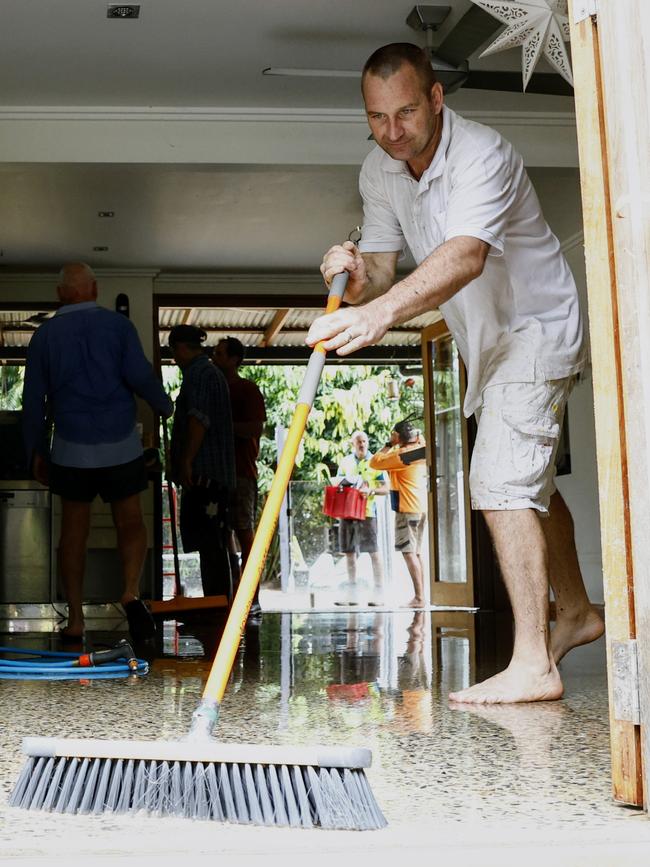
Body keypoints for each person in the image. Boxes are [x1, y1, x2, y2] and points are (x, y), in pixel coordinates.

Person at [306, 42, 604, 704]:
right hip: (487, 340)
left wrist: (380, 314)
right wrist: (355, 280)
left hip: (537, 325)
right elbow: (380, 272)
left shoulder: (483, 154)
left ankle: (534, 662)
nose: (393, 131)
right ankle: (577, 612)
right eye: (378, 118)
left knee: (500, 481)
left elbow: (465, 256)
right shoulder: (381, 170)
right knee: (536, 487)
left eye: (406, 112)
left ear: (436, 99)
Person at [22, 262, 173, 641]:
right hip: (121, 444)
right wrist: (164, 405)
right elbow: (139, 375)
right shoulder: (118, 327)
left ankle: (75, 617)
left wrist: (36, 450)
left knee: (74, 531)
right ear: (94, 289)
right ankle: (130, 590)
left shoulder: (45, 335)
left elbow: (32, 401)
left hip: (71, 449)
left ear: (60, 294)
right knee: (131, 521)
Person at [169, 325, 235, 600]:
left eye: (174, 352)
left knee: (211, 543)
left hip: (206, 474)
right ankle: (220, 601)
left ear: (182, 348)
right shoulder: (210, 373)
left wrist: (186, 460)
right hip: (214, 473)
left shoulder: (199, 374)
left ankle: (217, 604)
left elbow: (199, 420)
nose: (174, 359)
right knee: (215, 541)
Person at [212, 337, 266, 617]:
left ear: (234, 359)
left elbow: (255, 428)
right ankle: (231, 593)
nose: (214, 357)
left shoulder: (246, 389)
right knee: (221, 535)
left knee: (243, 532)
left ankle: (250, 596)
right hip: (218, 473)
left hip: (241, 473)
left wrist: (223, 427)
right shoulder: (214, 390)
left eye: (220, 354)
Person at [369, 419, 427, 608]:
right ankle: (421, 596)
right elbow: (422, 439)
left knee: (408, 553)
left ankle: (418, 598)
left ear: (398, 438)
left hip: (407, 509)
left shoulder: (401, 456)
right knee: (416, 553)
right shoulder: (420, 449)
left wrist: (389, 444)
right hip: (420, 507)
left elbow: (374, 462)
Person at [333, 430, 388, 605]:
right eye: (358, 442)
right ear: (353, 444)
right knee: (349, 552)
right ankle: (352, 592)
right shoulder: (345, 462)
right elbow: (337, 483)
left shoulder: (375, 462)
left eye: (364, 441)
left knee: (373, 551)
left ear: (368, 442)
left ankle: (379, 592)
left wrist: (371, 490)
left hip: (367, 512)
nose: (362, 444)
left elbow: (386, 488)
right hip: (348, 512)